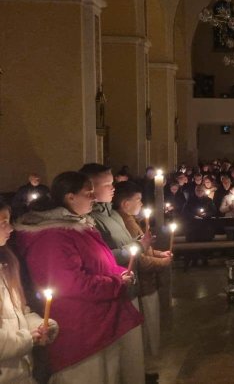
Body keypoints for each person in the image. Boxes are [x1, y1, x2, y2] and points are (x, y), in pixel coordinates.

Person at [15, 171, 142, 383]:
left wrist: (119, 272)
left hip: (98, 321)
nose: (94, 197)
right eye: (88, 193)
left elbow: (101, 262)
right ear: (70, 197)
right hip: (78, 329)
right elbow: (71, 284)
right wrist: (117, 282)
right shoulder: (51, 237)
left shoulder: (78, 226)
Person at [79, 163, 146, 384]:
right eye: (107, 184)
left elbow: (124, 243)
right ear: (90, 188)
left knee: (133, 350)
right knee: (122, 352)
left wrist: (137, 244)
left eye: (112, 183)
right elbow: (103, 257)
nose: (113, 188)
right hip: (115, 289)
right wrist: (136, 247)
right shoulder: (92, 220)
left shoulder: (114, 214)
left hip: (129, 283)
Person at [112, 182, 172, 382]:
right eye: (138, 200)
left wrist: (158, 253)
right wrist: (162, 262)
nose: (141, 203)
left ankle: (143, 369)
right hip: (142, 284)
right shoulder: (125, 222)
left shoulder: (130, 220)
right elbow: (138, 258)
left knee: (146, 332)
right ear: (125, 203)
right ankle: (140, 371)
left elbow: (143, 249)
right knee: (143, 332)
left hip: (144, 282)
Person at [0, 201, 58, 383]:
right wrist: (27, 339)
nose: (10, 228)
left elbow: (19, 311)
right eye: (3, 223)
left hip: (21, 372)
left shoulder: (5, 265)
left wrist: (41, 325)